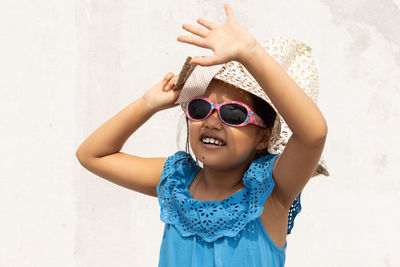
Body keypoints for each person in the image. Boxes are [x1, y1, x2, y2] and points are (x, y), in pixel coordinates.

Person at [76, 3, 328, 267]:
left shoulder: (271, 190)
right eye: (199, 108)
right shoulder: (176, 182)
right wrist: (148, 104)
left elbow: (313, 135)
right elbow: (92, 155)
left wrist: (251, 54)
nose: (212, 120)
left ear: (264, 137)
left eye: (233, 113)